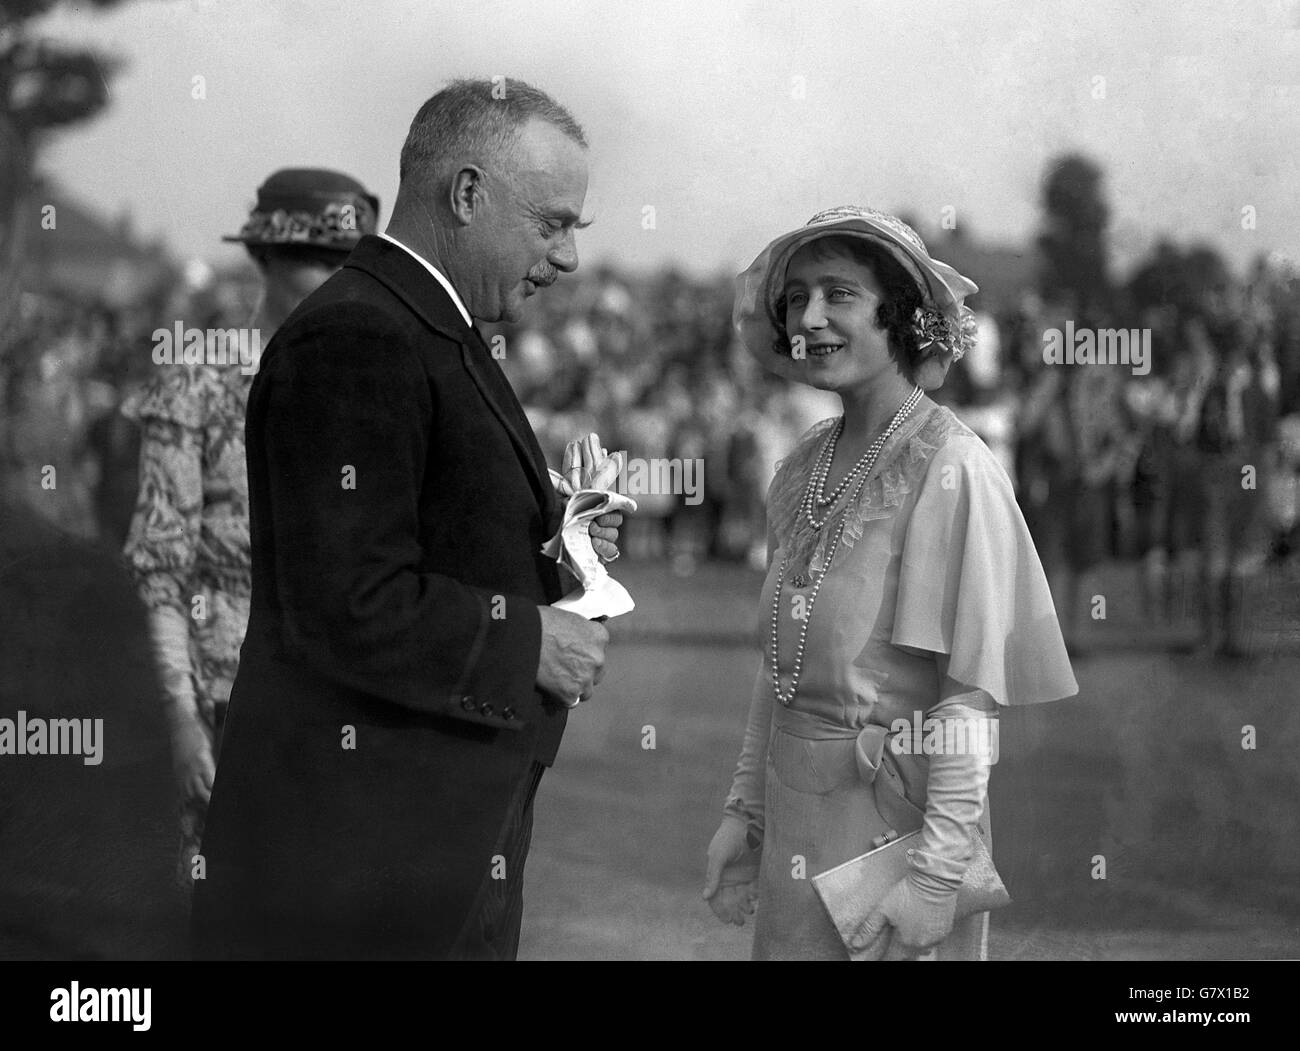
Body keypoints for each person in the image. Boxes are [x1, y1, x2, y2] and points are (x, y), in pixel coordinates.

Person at [190, 78, 620, 960]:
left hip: (417, 852)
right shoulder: (359, 335)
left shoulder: (423, 325)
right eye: (553, 223)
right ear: (467, 195)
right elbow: (342, 598)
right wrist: (530, 638)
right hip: (357, 872)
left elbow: (426, 539)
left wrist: (558, 546)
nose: (569, 256)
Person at [703, 206, 1078, 960]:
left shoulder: (953, 467)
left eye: (838, 294)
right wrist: (744, 817)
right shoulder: (802, 466)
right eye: (797, 297)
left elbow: (968, 698)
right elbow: (778, 677)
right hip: (794, 835)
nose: (809, 317)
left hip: (887, 851)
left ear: (901, 316)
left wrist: (937, 880)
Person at [121, 168, 379, 890]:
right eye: (318, 260)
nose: (335, 278)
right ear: (264, 258)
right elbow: (159, 568)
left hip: (344, 702)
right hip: (225, 698)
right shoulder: (198, 381)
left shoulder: (371, 384)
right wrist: (176, 712)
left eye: (349, 262)